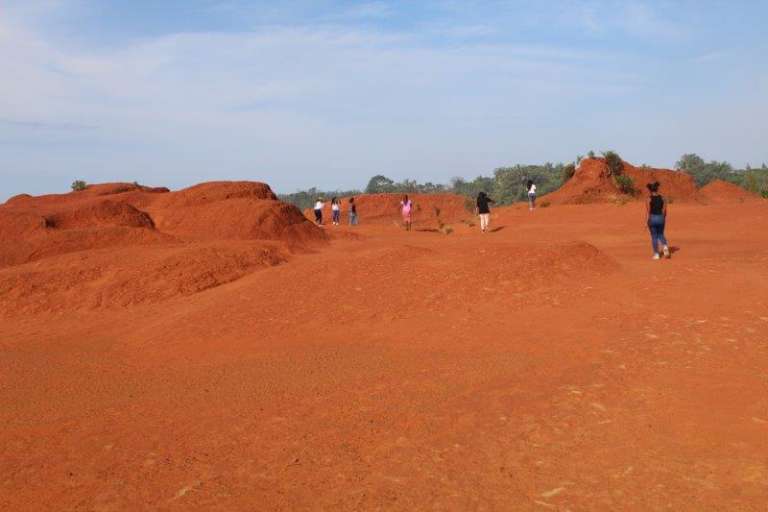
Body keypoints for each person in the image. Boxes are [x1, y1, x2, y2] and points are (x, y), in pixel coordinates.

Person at [646, 181, 671, 260]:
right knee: (661, 234)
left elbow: (648, 212)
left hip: (652, 218)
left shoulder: (648, 199)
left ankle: (656, 254)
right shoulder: (663, 198)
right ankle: (665, 246)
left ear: (650, 190)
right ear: (657, 189)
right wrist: (662, 218)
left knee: (654, 237)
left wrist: (646, 221)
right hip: (661, 218)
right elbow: (664, 211)